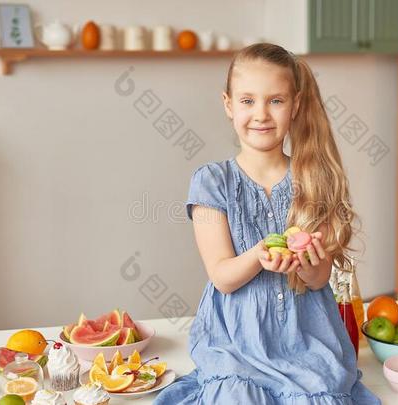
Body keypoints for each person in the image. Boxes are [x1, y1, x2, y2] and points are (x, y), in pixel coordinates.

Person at [153, 43, 380, 404]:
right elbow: (222, 277)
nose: (261, 114)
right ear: (228, 104)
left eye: (275, 100)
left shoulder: (313, 178)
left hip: (305, 340)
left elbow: (320, 278)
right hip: (237, 344)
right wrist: (259, 255)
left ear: (296, 105)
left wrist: (306, 266)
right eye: (247, 101)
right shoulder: (212, 182)